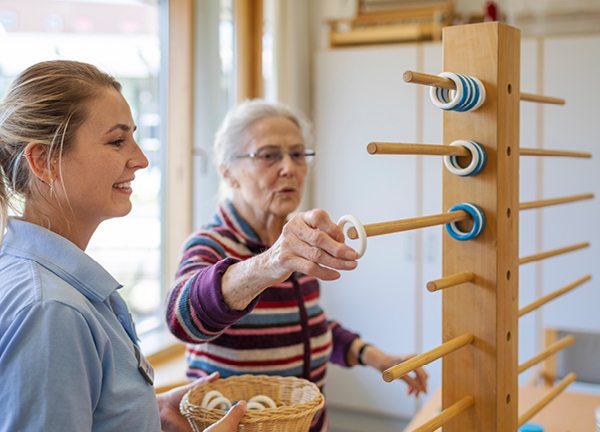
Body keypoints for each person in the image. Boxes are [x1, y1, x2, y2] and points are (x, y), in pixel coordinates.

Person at [0, 60, 245, 432]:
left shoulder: (49, 284)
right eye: (117, 141)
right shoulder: (52, 311)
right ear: (44, 161)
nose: (141, 159)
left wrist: (144, 410)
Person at [165, 99, 428, 432]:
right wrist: (270, 263)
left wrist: (378, 358)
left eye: (298, 154)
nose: (289, 167)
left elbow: (309, 327)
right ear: (227, 172)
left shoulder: (298, 241)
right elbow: (181, 318)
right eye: (269, 155)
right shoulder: (210, 244)